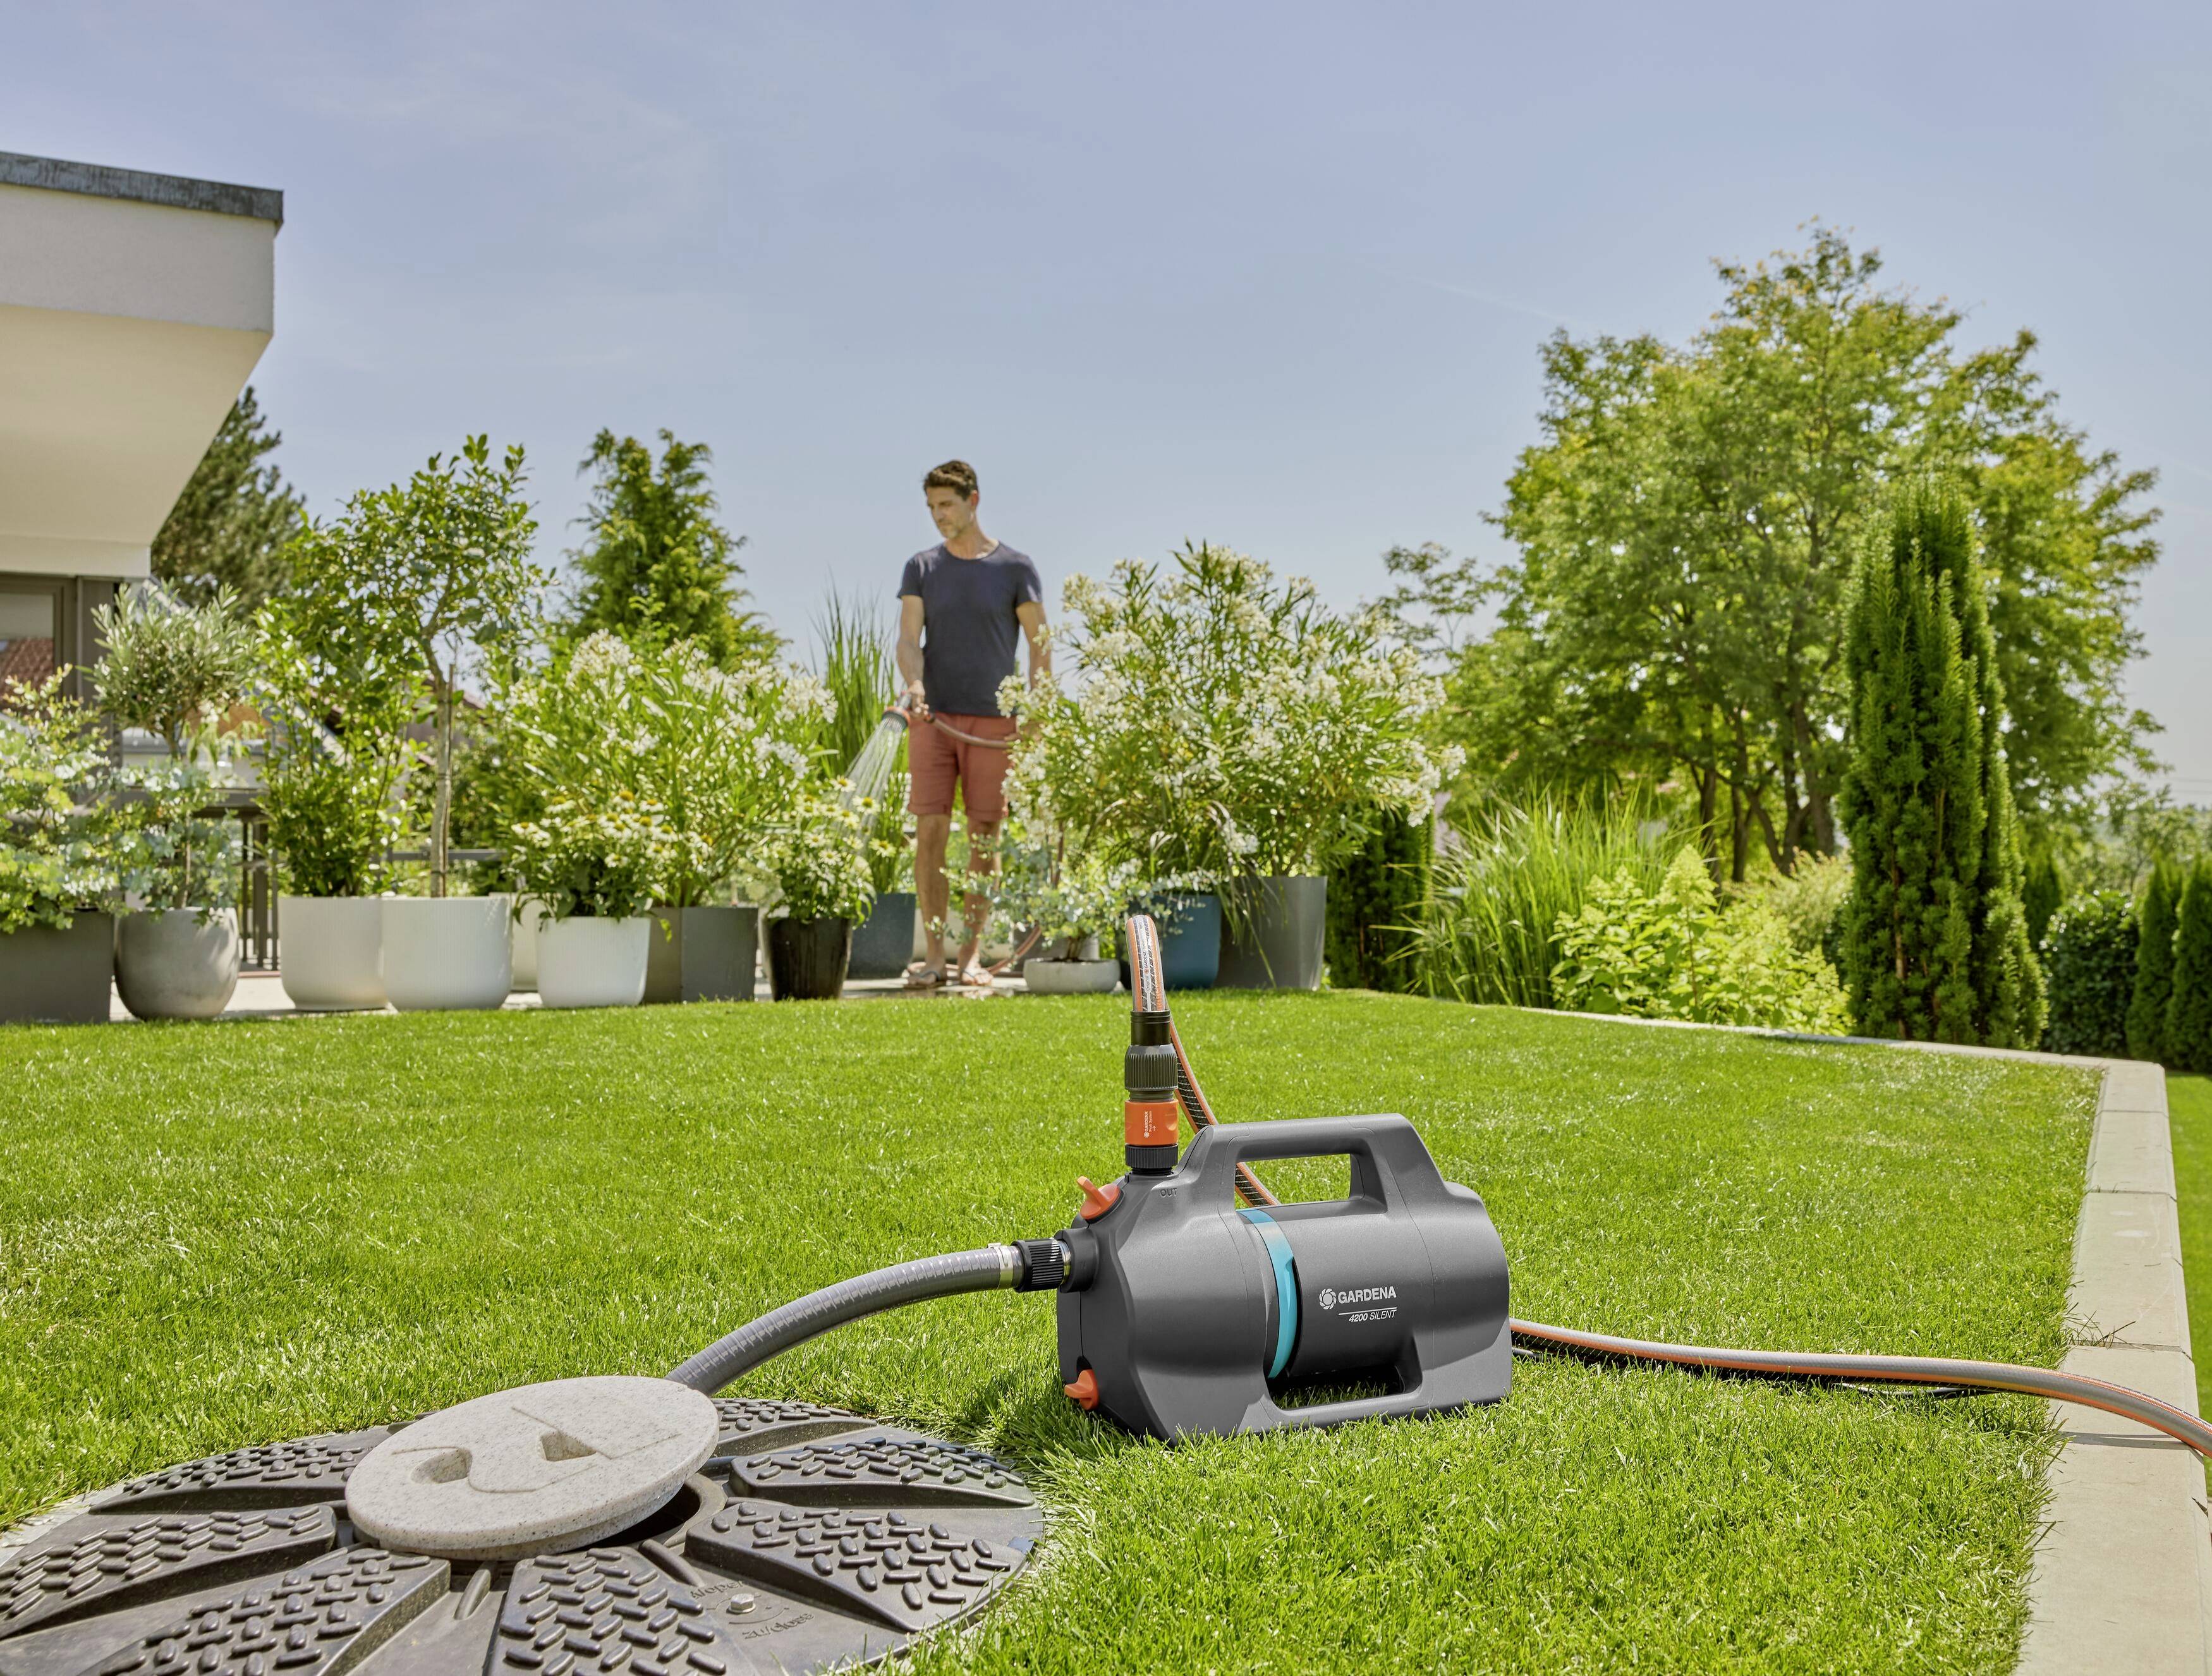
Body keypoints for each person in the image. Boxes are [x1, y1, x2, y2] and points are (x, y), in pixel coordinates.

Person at [896, 459, 1048, 988]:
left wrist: (1035, 709)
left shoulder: (1015, 568)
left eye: (948, 505)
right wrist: (915, 685)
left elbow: (1039, 643)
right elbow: (908, 639)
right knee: (930, 832)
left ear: (974, 501)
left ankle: (971, 958)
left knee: (986, 836)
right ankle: (934, 956)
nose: (939, 516)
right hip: (933, 719)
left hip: (995, 724)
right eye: (932, 507)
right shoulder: (922, 567)